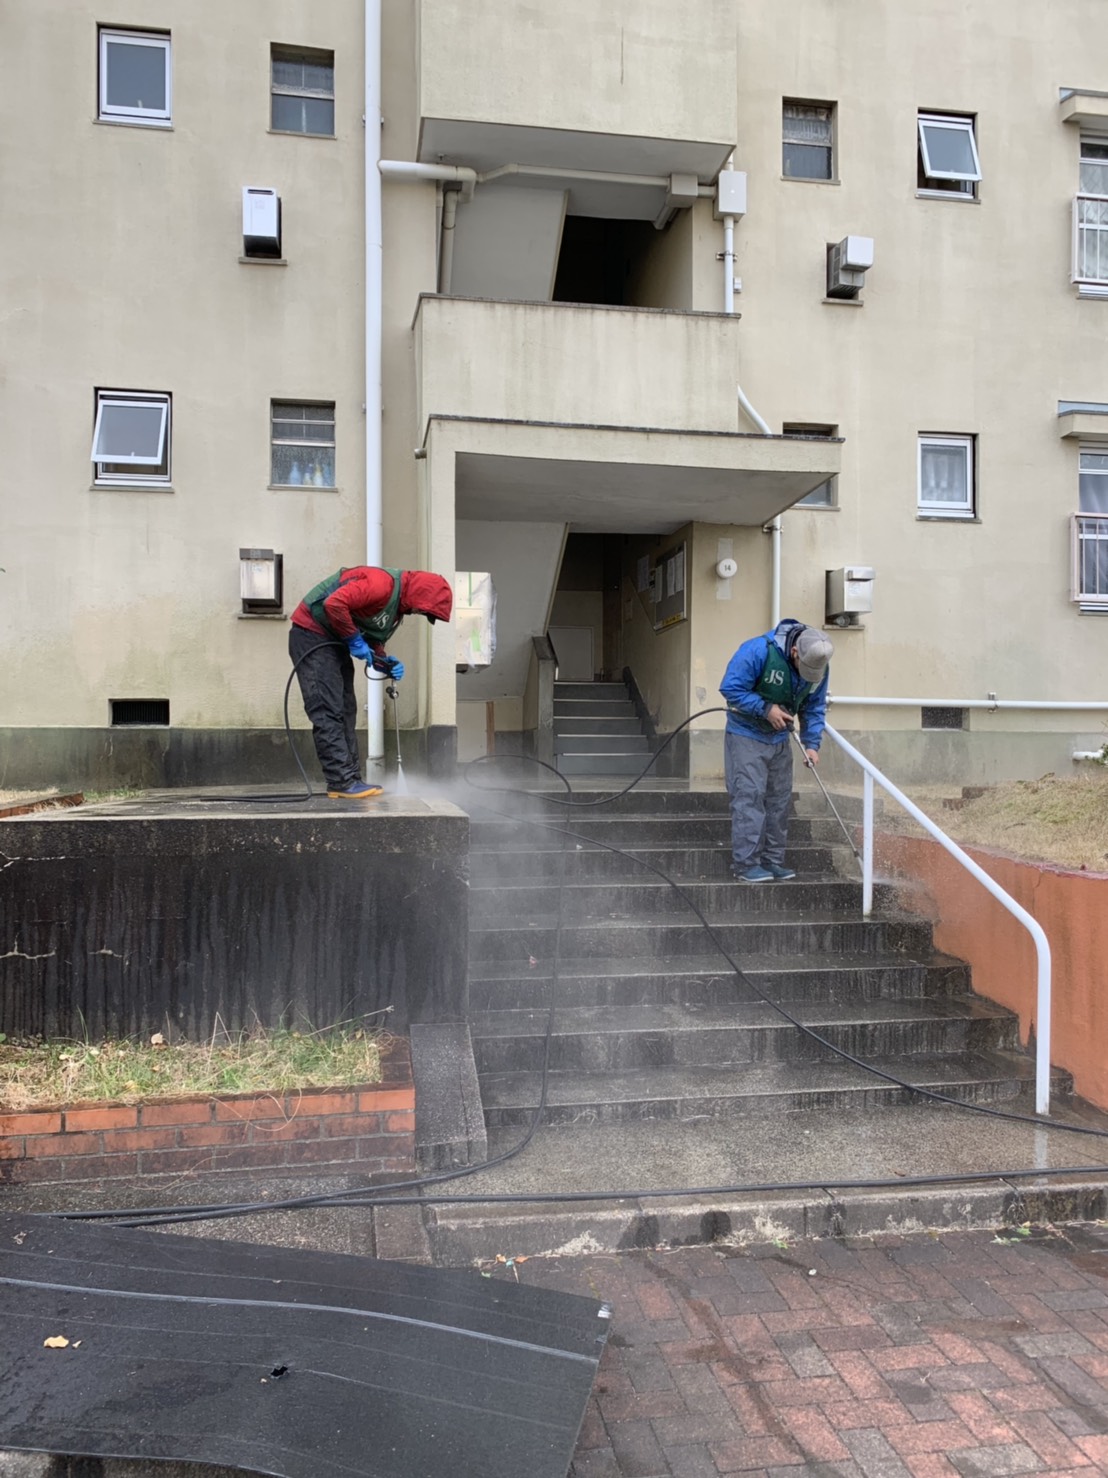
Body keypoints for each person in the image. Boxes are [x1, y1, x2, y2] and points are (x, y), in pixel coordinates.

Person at [289, 565, 453, 799]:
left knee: (346, 710)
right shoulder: (380, 585)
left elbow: (370, 636)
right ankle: (340, 782)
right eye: (422, 609)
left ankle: (351, 777)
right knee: (327, 709)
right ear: (419, 595)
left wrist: (384, 662)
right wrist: (354, 641)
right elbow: (334, 604)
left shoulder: (396, 607)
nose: (418, 613)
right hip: (310, 635)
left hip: (332, 642)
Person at [719, 618, 833, 882]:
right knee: (749, 796)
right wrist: (765, 708)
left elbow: (814, 707)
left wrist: (812, 744)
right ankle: (746, 864)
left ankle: (772, 860)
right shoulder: (758, 650)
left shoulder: (819, 664)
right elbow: (730, 688)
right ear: (795, 652)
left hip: (780, 739)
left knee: (779, 801)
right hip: (746, 734)